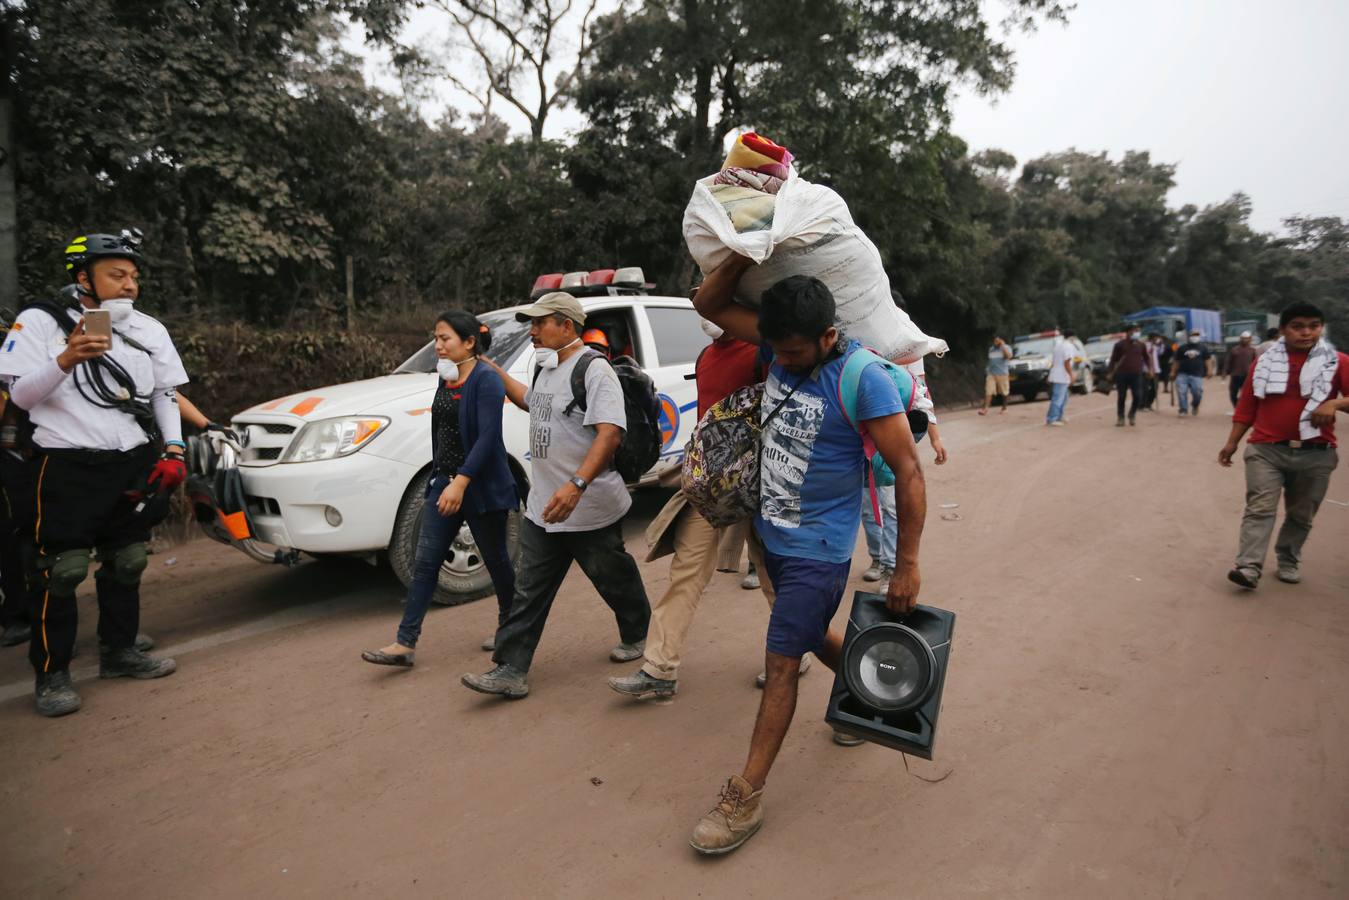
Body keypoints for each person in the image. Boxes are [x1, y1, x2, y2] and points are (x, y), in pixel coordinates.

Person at [690, 259, 926, 856]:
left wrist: (906, 564)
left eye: (793, 351)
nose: (782, 360)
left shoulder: (863, 376)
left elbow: (908, 468)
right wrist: (745, 250)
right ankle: (880, 690)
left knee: (781, 662)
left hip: (820, 550)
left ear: (827, 336)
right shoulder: (778, 345)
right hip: (771, 537)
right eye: (776, 349)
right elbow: (711, 306)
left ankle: (744, 797)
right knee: (811, 631)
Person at [0, 230, 186, 717]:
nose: (129, 285)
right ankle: (52, 673)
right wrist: (65, 359)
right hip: (66, 464)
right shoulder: (40, 322)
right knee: (60, 570)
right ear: (84, 277)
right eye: (116, 275)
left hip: (130, 460)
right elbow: (19, 397)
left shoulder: (149, 329)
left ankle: (119, 651)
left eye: (134, 277)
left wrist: (173, 449)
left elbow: (164, 394)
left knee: (127, 559)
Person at [461, 292, 650, 699]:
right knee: (528, 588)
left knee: (611, 577)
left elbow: (610, 433)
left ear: (566, 325)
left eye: (539, 322)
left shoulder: (595, 371)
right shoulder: (546, 369)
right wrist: (494, 372)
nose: (532, 331)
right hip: (545, 508)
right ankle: (511, 669)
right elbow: (532, 403)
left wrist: (576, 485)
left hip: (589, 506)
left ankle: (639, 630)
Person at [607, 316, 788, 701]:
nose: (705, 316)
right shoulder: (706, 355)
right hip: (709, 486)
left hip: (752, 486)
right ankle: (659, 668)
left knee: (774, 577)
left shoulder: (761, 352)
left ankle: (796, 651)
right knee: (685, 573)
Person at [361, 311, 517, 668]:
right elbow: (443, 434)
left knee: (497, 563)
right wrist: (442, 479)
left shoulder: (487, 380)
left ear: (469, 342)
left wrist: (462, 482)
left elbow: (487, 437)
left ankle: (511, 626)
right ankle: (405, 643)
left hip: (481, 488)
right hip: (444, 483)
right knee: (425, 563)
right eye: (436, 338)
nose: (438, 345)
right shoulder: (446, 381)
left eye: (445, 339)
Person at [1219, 303, 1348, 589]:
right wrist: (1231, 443)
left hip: (1317, 453)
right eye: (1298, 326)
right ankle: (1248, 566)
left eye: (1313, 326)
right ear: (1283, 331)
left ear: (1321, 328)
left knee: (1301, 514)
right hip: (1266, 450)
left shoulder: (1337, 361)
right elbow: (1247, 405)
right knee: (1260, 507)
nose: (1306, 332)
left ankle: (1288, 559)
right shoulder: (1263, 362)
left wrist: (1335, 402)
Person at [863, 358, 944, 583]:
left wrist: (935, 438)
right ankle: (877, 557)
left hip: (894, 435)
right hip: (861, 438)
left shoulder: (909, 350)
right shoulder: (859, 351)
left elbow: (922, 396)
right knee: (867, 508)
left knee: (890, 506)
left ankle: (890, 568)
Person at [1107, 329, 1152, 426]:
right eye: (1133, 331)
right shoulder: (1119, 345)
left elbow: (1147, 358)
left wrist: (1150, 369)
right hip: (1122, 374)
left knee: (1138, 396)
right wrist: (1110, 372)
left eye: (1137, 331)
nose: (1135, 333)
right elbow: (1113, 359)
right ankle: (1121, 417)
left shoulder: (1141, 345)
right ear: (1127, 333)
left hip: (1137, 374)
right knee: (1122, 396)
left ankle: (1132, 413)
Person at [1170, 329, 1214, 416]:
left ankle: (1195, 405)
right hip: (1182, 374)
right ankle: (1183, 409)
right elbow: (1176, 361)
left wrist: (1210, 370)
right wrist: (1172, 372)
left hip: (1197, 374)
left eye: (1196, 335)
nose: (1194, 337)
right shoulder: (1182, 348)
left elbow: (1208, 360)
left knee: (1197, 392)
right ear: (1189, 336)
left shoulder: (1203, 348)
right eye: (1193, 335)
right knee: (1181, 392)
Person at [1045, 329, 1076, 426]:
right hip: (1061, 376)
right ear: (1072, 337)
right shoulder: (1068, 346)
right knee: (1058, 398)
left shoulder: (1058, 345)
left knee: (1064, 398)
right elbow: (1067, 362)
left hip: (1057, 374)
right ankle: (1052, 419)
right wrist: (1072, 375)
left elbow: (1054, 361)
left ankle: (1059, 416)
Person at [1224, 331, 1259, 410]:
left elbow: (1256, 363)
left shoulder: (1252, 350)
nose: (1245, 340)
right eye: (1243, 338)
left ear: (1250, 339)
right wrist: (1225, 372)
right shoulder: (1234, 350)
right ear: (1240, 339)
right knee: (1233, 394)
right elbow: (1228, 361)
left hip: (1247, 376)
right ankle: (1236, 407)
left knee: (1245, 394)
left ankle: (1242, 409)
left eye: (1247, 339)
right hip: (1235, 375)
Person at [979, 337, 1012, 415]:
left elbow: (1008, 356)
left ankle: (1004, 408)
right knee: (988, 390)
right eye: (995, 341)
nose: (996, 342)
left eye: (998, 340)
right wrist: (987, 370)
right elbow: (990, 361)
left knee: (1004, 391)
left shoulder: (1006, 348)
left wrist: (1002, 346)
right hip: (991, 373)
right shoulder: (991, 349)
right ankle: (985, 409)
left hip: (1002, 373)